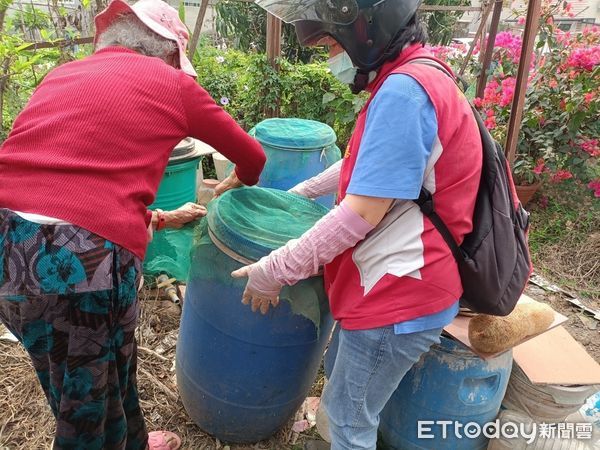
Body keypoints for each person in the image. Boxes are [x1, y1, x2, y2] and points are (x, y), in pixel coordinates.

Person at [0, 0, 265, 448]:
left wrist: (160, 217)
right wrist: (235, 182)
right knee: (83, 409)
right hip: (83, 263)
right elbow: (253, 158)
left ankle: (133, 440)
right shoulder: (172, 84)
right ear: (168, 54)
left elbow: (73, 181)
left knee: (84, 372)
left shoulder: (61, 74)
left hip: (9, 244)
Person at [231, 0, 483, 448]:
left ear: (366, 29)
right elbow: (366, 166)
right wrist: (295, 196)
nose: (331, 59)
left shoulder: (406, 94)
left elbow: (361, 212)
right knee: (347, 396)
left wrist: (276, 269)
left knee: (350, 420)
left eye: (331, 45)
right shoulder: (417, 75)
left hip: (399, 291)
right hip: (397, 282)